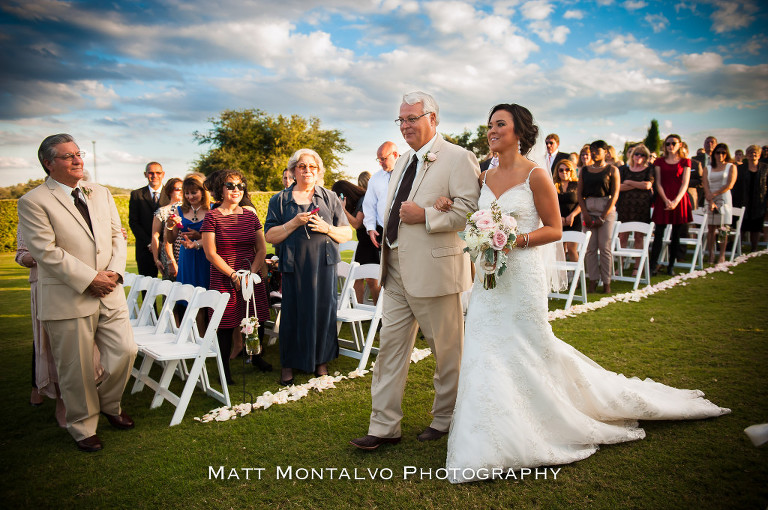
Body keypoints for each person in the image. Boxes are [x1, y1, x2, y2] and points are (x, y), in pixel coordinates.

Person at [444, 104, 730, 484]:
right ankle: (487, 428)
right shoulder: (483, 176)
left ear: (519, 132)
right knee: (484, 348)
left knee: (528, 346)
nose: (492, 131)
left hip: (523, 276)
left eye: (500, 124)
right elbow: (476, 219)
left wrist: (513, 240)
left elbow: (553, 230)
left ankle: (543, 419)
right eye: (490, 125)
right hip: (490, 280)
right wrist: (466, 221)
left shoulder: (536, 176)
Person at [349, 91, 480, 450]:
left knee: (447, 351)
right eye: (401, 120)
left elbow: (471, 212)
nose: (405, 125)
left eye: (412, 119)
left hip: (436, 273)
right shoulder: (403, 161)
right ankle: (384, 426)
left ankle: (446, 417)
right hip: (394, 273)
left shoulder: (459, 158)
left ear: (433, 119)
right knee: (389, 350)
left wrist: (427, 216)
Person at [17, 134, 137, 452]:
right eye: (68, 156)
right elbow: (45, 252)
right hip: (67, 295)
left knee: (125, 351)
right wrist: (89, 279)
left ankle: (110, 405)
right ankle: (82, 426)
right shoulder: (33, 201)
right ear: (48, 163)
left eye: (78, 154)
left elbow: (117, 235)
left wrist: (113, 273)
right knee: (76, 367)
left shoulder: (101, 193)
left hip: (109, 290)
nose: (77, 159)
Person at [265, 149, 352, 385]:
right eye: (302, 166)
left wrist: (327, 229)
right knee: (292, 315)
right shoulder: (280, 200)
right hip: (294, 266)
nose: (307, 171)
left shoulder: (330, 197)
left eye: (312, 167)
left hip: (324, 264)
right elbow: (270, 236)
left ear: (318, 171)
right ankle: (289, 365)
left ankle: (320, 361)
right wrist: (293, 223)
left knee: (323, 312)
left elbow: (346, 233)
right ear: (294, 170)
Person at [577, 140, 620, 294]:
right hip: (588, 207)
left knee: (605, 247)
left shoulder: (612, 170)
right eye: (592, 149)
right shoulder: (584, 170)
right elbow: (579, 193)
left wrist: (603, 216)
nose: (593, 152)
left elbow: (615, 194)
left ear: (605, 152)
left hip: (605, 207)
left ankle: (607, 282)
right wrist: (585, 213)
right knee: (590, 248)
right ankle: (593, 281)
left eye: (597, 150)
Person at [649, 134, 693, 276]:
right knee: (658, 235)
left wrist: (675, 201)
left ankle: (671, 266)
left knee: (676, 235)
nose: (670, 146)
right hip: (663, 199)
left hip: (679, 200)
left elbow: (685, 183)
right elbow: (658, 183)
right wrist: (666, 200)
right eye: (668, 144)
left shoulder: (685, 161)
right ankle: (652, 266)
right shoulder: (660, 162)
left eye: (673, 143)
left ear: (679, 144)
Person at [167, 174, 212, 289]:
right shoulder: (179, 210)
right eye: (187, 193)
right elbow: (171, 239)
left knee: (206, 290)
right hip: (187, 256)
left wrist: (199, 236)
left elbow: (218, 236)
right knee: (187, 291)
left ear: (202, 192)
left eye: (194, 192)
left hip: (207, 255)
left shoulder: (212, 209)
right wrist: (169, 226)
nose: (190, 196)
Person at [616, 143, 654, 276]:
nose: (639, 156)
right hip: (625, 206)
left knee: (639, 237)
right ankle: (619, 265)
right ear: (632, 155)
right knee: (622, 236)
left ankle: (637, 267)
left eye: (642, 155)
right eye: (636, 154)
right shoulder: (624, 170)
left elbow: (648, 185)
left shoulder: (648, 169)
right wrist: (639, 185)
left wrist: (629, 183)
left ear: (646, 157)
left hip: (641, 207)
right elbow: (618, 187)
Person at [129, 162, 168, 277]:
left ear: (163, 174)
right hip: (145, 249)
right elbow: (134, 222)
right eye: (151, 173)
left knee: (170, 288)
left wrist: (162, 243)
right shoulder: (136, 194)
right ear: (145, 174)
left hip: (167, 248)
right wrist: (150, 243)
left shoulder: (171, 194)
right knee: (146, 288)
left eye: (158, 173)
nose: (154, 175)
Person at [703, 143, 737, 264]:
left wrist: (714, 194)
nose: (720, 155)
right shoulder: (708, 168)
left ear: (726, 154)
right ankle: (711, 254)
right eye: (718, 152)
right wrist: (710, 198)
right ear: (714, 154)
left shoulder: (731, 167)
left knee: (723, 228)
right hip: (709, 198)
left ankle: (722, 255)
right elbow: (705, 184)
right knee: (711, 228)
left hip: (723, 198)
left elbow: (729, 184)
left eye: (723, 152)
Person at [363, 141, 400, 251]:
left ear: (395, 155)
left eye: (383, 159)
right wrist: (370, 228)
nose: (380, 163)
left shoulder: (410, 172)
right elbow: (369, 205)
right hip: (384, 233)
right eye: (378, 160)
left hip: (408, 231)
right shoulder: (375, 179)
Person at [734, 145, 768, 251]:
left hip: (759, 200)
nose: (753, 154)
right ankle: (737, 247)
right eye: (750, 152)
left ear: (759, 155)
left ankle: (754, 248)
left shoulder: (765, 168)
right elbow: (737, 184)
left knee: (756, 226)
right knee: (742, 224)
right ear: (747, 154)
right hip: (743, 199)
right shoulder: (740, 168)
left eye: (755, 152)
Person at [151, 178, 183, 280]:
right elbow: (155, 236)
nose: (181, 191)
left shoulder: (189, 208)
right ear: (170, 191)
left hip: (184, 252)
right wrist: (156, 259)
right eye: (178, 189)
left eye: (183, 188)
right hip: (169, 254)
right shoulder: (162, 211)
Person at [553, 159, 581, 261]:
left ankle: (576, 276)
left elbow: (582, 204)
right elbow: (551, 204)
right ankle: (562, 276)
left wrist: (572, 215)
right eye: (561, 170)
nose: (564, 172)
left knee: (571, 249)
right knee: (559, 250)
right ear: (557, 171)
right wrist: (558, 217)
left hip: (574, 220)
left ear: (571, 171)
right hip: (558, 220)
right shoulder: (553, 185)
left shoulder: (577, 185)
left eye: (567, 169)